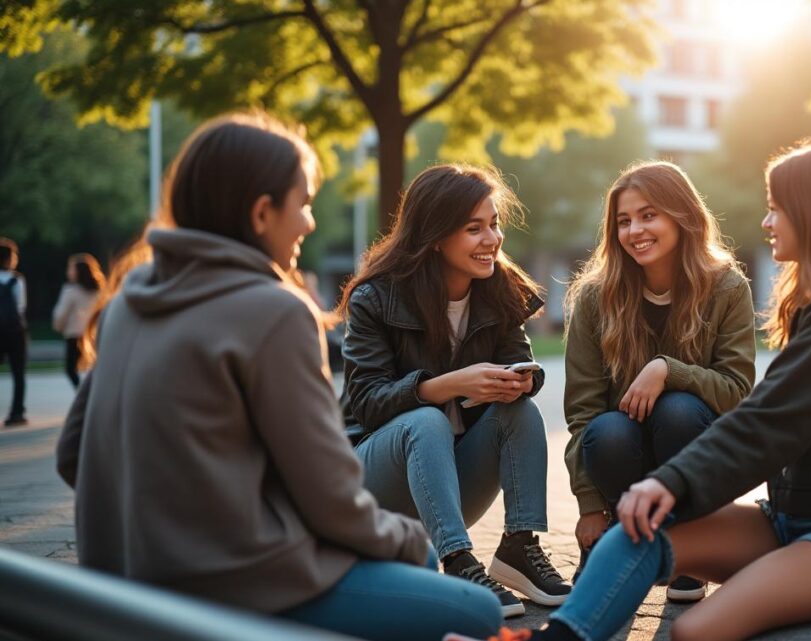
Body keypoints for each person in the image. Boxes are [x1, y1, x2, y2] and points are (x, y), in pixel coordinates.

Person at [452, 139, 811, 641]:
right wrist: (604, 503)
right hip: (793, 521)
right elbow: (589, 410)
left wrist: (667, 484)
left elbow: (767, 420)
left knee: (697, 630)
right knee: (634, 537)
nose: (767, 222)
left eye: (778, 209)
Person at [55, 112, 502, 641]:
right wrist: (413, 544)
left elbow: (71, 455)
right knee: (475, 609)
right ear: (262, 213)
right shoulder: (275, 311)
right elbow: (332, 500)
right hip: (239, 586)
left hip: (124, 583)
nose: (310, 222)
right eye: (304, 203)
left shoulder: (130, 297)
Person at [337, 163, 570, 619]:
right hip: (372, 480)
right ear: (437, 234)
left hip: (445, 483)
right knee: (425, 419)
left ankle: (519, 546)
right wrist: (447, 386)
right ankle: (459, 561)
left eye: (494, 224)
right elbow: (365, 403)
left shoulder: (499, 288)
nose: (492, 239)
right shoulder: (375, 298)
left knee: (521, 412)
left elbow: (521, 360)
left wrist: (520, 380)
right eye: (473, 229)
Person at [562, 161, 756, 602]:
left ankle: (690, 543)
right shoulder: (595, 295)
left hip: (690, 448)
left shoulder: (726, 287)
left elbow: (739, 395)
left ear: (682, 216)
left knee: (678, 409)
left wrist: (670, 370)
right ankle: (615, 536)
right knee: (606, 430)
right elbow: (582, 412)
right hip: (619, 456)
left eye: (649, 215)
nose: (635, 230)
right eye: (624, 221)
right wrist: (589, 506)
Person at [52, 253, 105, 387]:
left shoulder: (70, 291)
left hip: (74, 335)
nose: (68, 272)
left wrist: (58, 326)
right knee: (94, 367)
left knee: (70, 369)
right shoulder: (100, 291)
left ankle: (82, 394)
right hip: (95, 335)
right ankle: (92, 394)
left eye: (70, 268)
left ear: (78, 271)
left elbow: (60, 314)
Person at [0, 237, 27, 427]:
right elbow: (21, 306)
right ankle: (17, 412)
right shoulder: (17, 280)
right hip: (15, 332)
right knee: (18, 373)